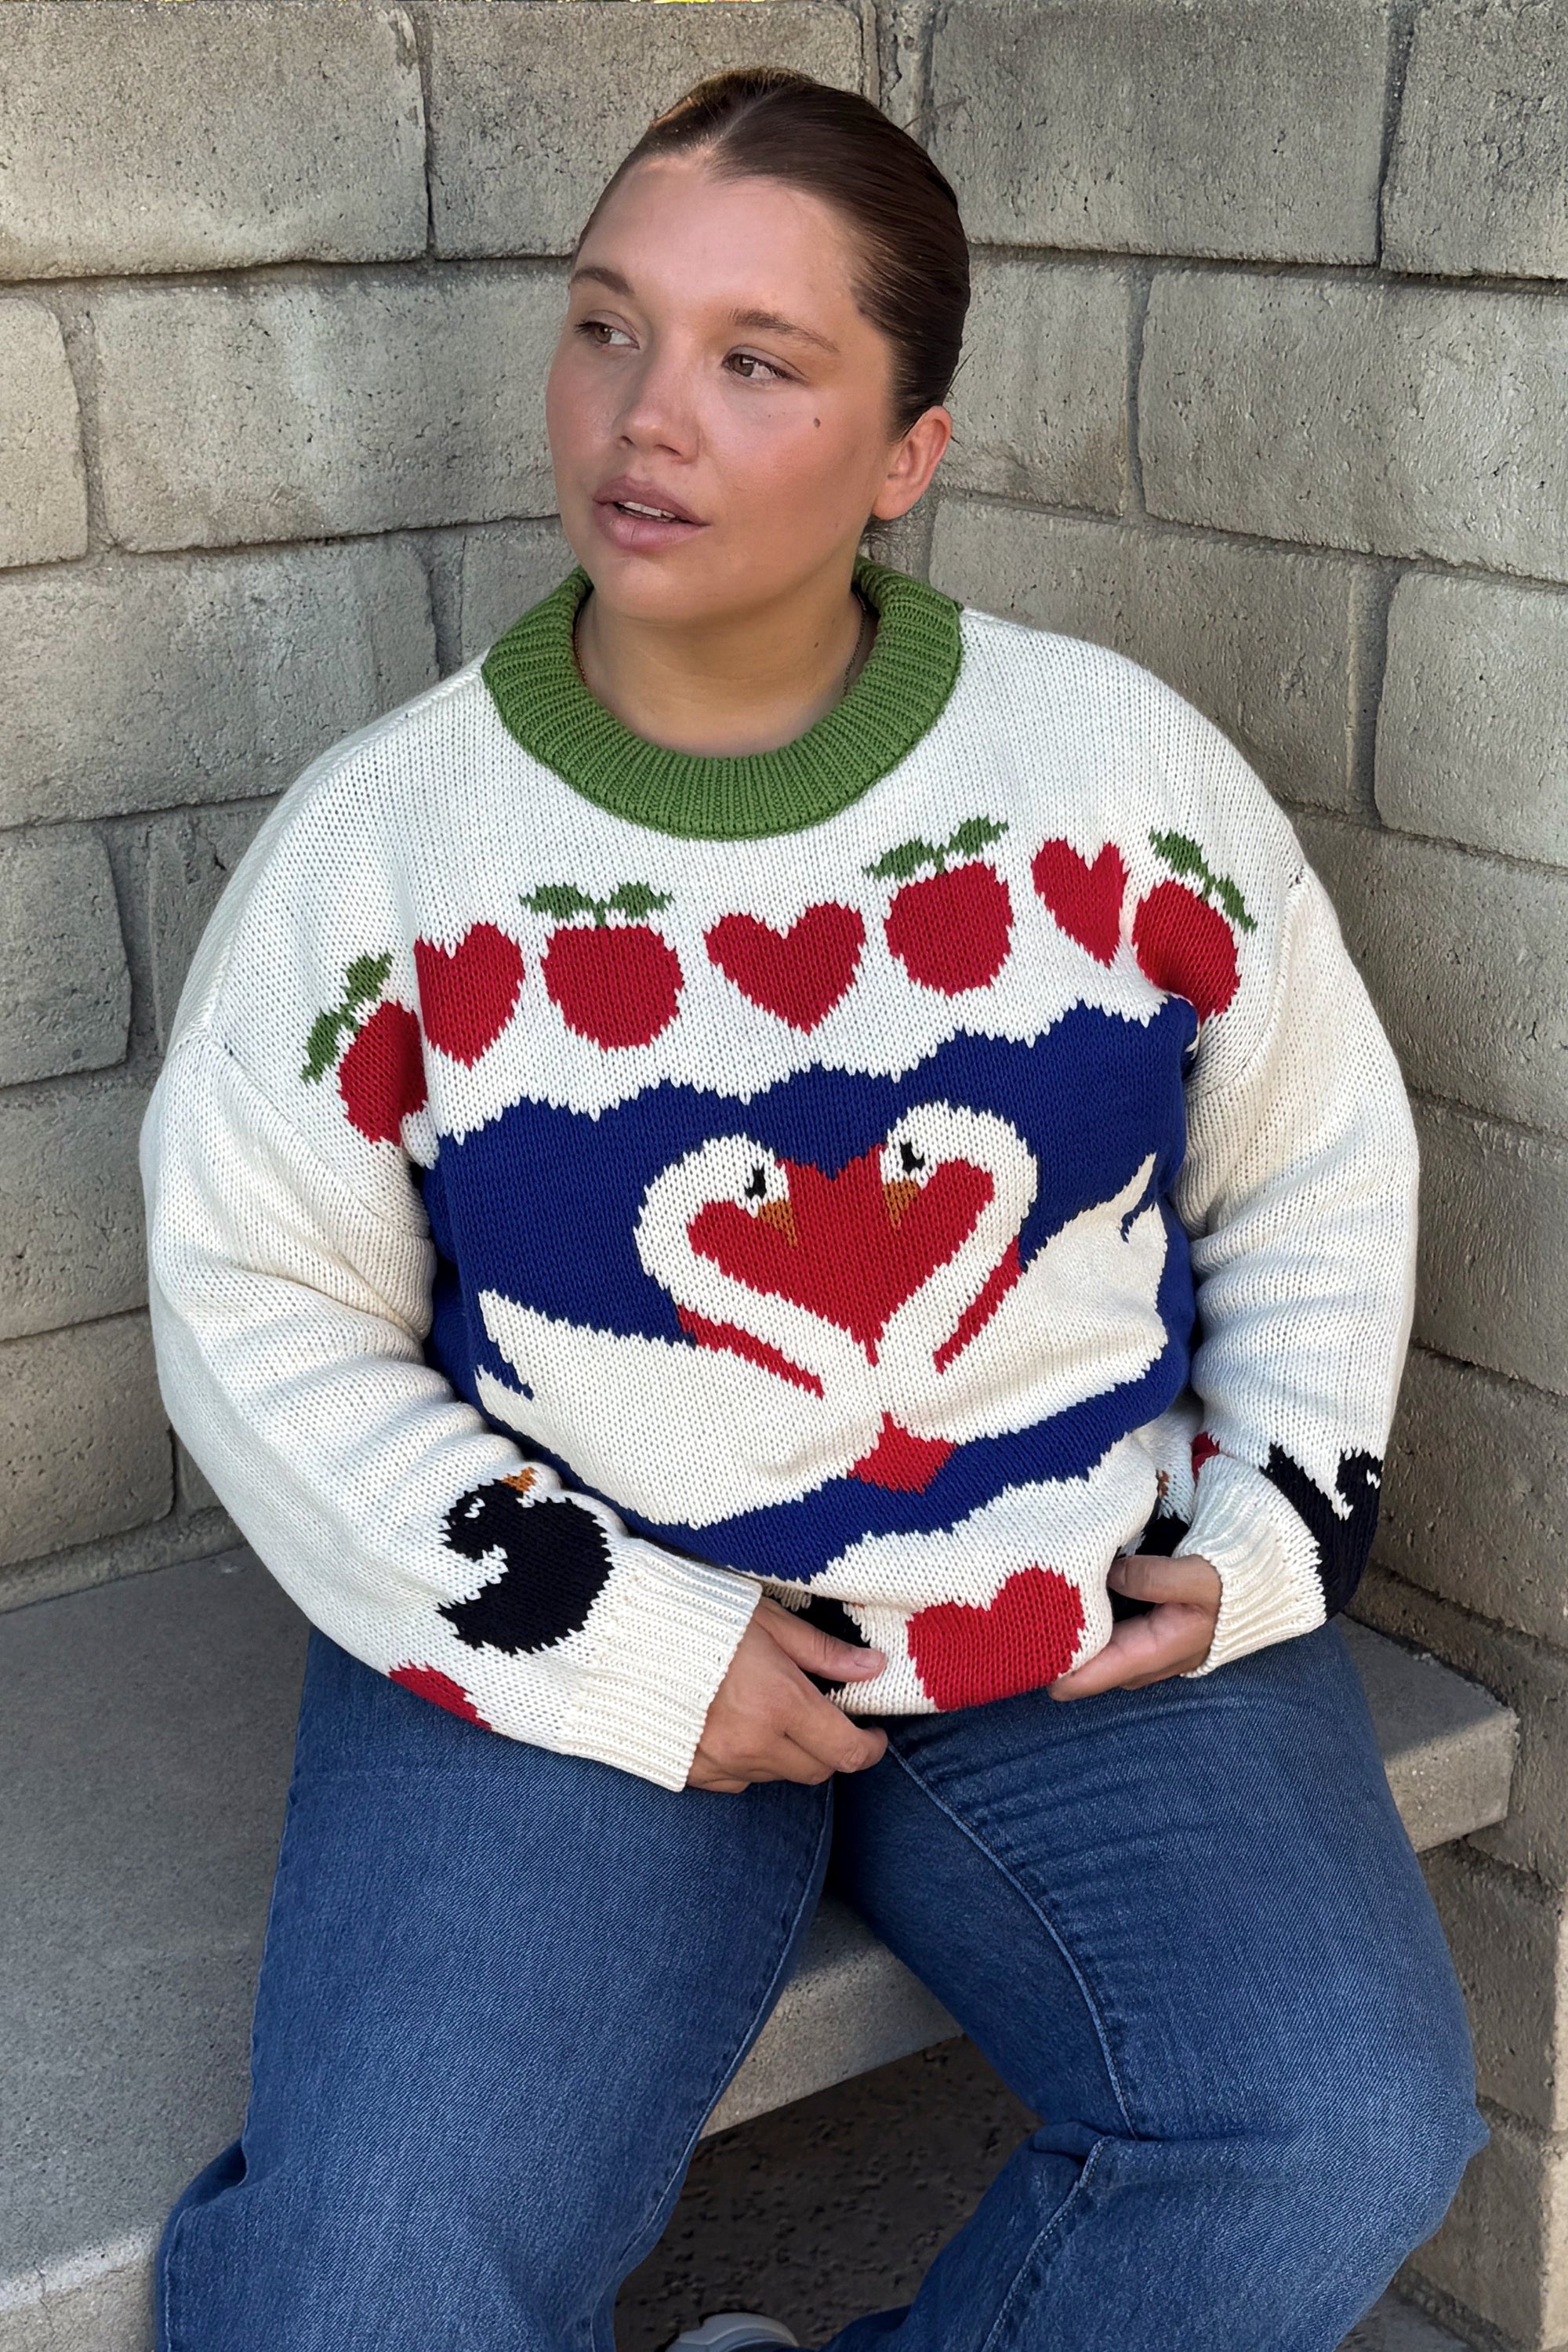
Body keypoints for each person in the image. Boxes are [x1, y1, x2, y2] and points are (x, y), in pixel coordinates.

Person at [141, 67, 1485, 2352]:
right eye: (606, 325)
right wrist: (619, 1643)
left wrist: (1274, 1517)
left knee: (1332, 2128)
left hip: (1060, 1608)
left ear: (906, 454)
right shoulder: (384, 853)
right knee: (358, 2291)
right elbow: (257, 1302)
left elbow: (1314, 1160)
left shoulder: (1115, 775)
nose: (644, 414)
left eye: (756, 361)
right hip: (572, 1634)